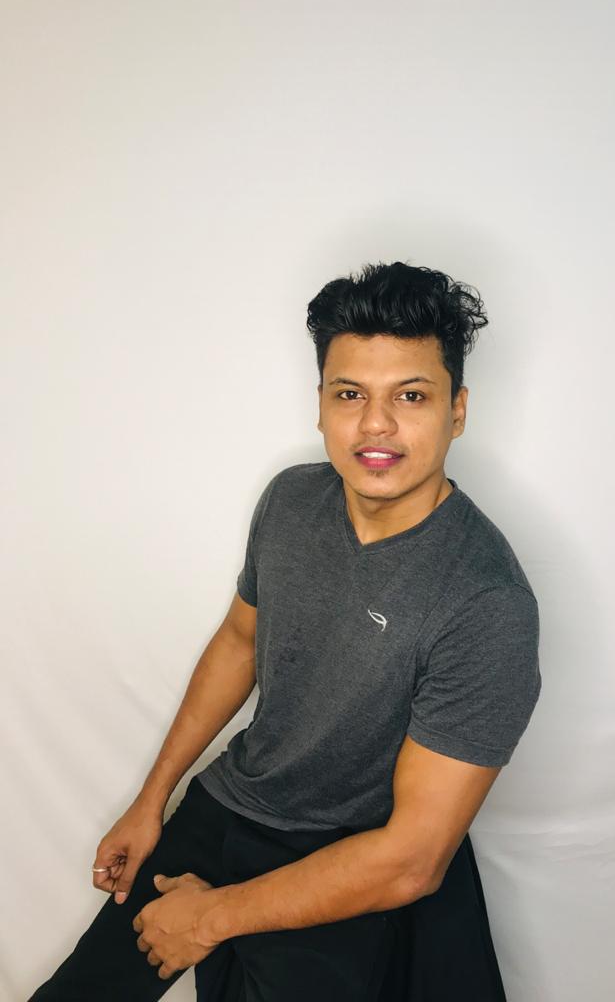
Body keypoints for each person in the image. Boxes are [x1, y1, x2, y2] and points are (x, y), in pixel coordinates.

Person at [29, 260, 542, 1001]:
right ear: (321, 405)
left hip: (348, 853)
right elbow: (240, 642)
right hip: (233, 802)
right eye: (350, 394)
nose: (376, 425)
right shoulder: (291, 501)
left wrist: (209, 919)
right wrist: (151, 802)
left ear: (457, 410)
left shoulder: (485, 600)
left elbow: (411, 860)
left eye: (411, 395)